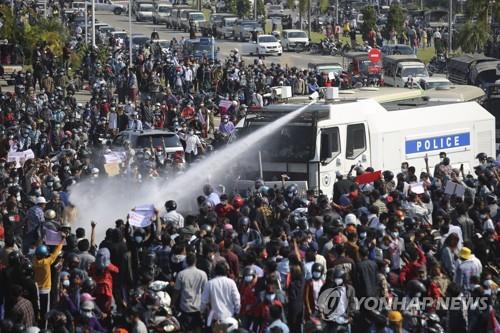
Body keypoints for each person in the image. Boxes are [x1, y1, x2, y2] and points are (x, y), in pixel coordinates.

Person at [201, 262, 241, 329]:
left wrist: (201, 311)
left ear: (215, 271)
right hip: (230, 318)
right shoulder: (231, 282)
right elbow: (237, 299)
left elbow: (204, 301)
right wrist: (237, 312)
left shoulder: (210, 283)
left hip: (216, 320)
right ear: (226, 271)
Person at [174, 253, 207, 333]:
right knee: (198, 328)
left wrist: (173, 303)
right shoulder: (202, 274)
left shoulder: (181, 274)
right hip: (198, 307)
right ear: (195, 261)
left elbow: (177, 291)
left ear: (186, 262)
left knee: (187, 329)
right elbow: (205, 291)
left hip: (185, 307)